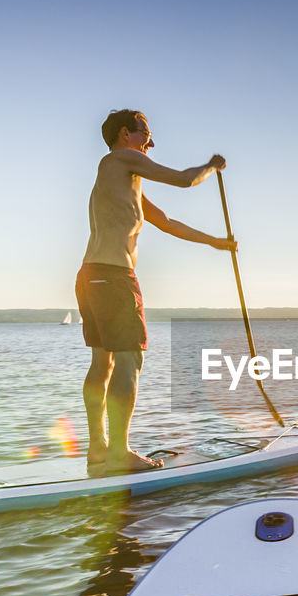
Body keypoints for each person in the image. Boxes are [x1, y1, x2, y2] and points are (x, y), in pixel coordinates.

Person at [76, 109, 235, 475]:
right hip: (113, 277)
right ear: (124, 134)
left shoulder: (122, 178)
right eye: (145, 133)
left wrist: (215, 243)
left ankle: (99, 449)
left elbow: (166, 222)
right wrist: (212, 165)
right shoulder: (121, 159)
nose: (151, 141)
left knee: (104, 362)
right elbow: (182, 180)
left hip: (90, 275)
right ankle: (119, 452)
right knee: (130, 360)